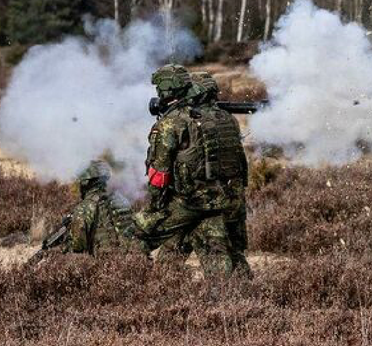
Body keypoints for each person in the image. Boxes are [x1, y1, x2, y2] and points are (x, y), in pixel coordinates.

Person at [136, 64, 251, 277]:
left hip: (189, 201)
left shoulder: (172, 123)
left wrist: (154, 210)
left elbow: (159, 176)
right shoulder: (227, 119)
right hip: (223, 199)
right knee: (216, 249)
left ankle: (130, 280)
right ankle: (236, 294)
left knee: (134, 234)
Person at [33, 160, 145, 260]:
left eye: (81, 182)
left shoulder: (85, 208)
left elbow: (77, 246)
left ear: (86, 183)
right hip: (134, 260)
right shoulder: (121, 199)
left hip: (107, 266)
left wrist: (63, 243)